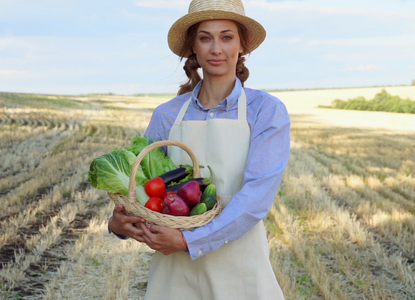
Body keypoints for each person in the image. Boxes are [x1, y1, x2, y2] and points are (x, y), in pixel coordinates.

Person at [108, 0, 290, 299]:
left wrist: (189, 241)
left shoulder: (265, 111)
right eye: (205, 38)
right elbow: (143, 190)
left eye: (227, 37)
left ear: (242, 45)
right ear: (193, 47)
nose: (216, 48)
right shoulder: (167, 114)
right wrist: (119, 224)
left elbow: (255, 197)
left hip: (240, 267)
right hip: (175, 274)